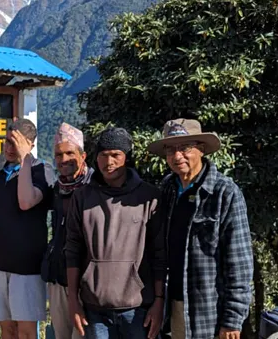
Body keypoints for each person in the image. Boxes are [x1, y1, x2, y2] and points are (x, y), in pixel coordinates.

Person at [147, 119, 252, 339]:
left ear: (201, 150)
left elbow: (239, 264)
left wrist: (232, 320)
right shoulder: (167, 189)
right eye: (170, 150)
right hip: (173, 304)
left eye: (185, 148)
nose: (177, 157)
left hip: (209, 312)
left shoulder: (225, 193)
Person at [65, 127, 166, 339]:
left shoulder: (149, 197)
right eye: (103, 155)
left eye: (115, 155)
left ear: (126, 158)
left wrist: (159, 301)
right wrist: (73, 300)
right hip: (94, 309)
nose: (108, 161)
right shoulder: (81, 197)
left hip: (138, 308)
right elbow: (73, 249)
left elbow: (159, 254)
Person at [0, 119, 53, 339]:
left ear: (30, 144)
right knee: (7, 330)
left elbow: (25, 201)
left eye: (16, 143)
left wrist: (25, 160)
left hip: (27, 269)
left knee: (26, 332)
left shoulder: (43, 170)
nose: (9, 148)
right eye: (7, 141)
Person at [41, 123, 92, 339]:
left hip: (86, 282)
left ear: (83, 155)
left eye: (70, 153)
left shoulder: (95, 188)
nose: (63, 160)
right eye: (59, 154)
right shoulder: (57, 188)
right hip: (58, 276)